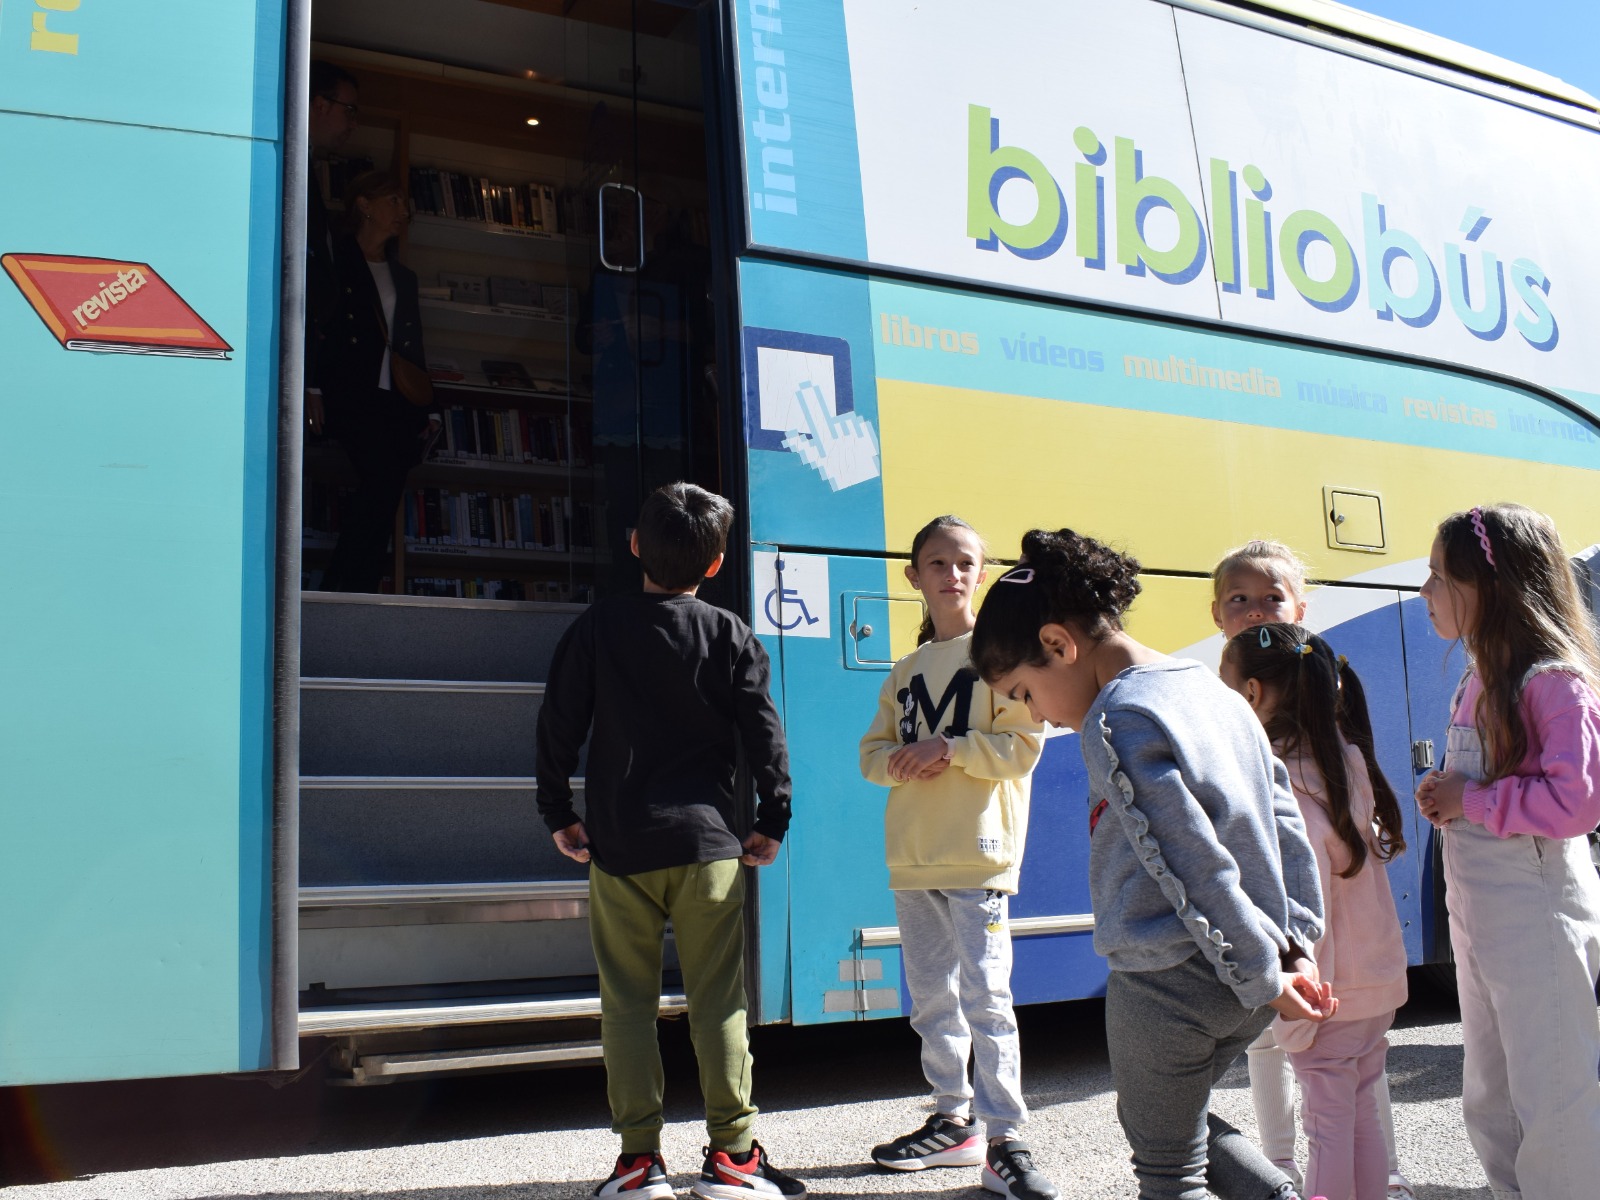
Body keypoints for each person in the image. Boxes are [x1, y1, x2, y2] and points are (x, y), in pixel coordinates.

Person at [970, 527, 1333, 1200]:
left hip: (1167, 982)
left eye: (1023, 692)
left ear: (1058, 644)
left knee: (1170, 1172)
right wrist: (1295, 947)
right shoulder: (1213, 689)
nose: (1036, 716)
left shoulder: (1117, 716)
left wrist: (1261, 969)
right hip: (1249, 975)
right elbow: (1286, 823)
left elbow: (1186, 858)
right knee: (1168, 1118)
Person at [536, 482, 805, 1200]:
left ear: (633, 546)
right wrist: (772, 818)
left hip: (619, 846)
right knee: (719, 1003)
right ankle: (733, 1159)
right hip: (708, 850)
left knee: (627, 1005)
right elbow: (765, 734)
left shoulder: (597, 628)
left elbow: (559, 724)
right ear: (716, 564)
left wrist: (558, 811)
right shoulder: (729, 633)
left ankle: (638, 1163)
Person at [857, 516, 1057, 1200]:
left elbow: (1022, 749)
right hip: (914, 859)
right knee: (933, 1001)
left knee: (987, 999)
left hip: (978, 857)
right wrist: (900, 761)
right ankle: (953, 1120)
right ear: (914, 576)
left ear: (981, 573)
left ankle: (1005, 1138)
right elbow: (871, 757)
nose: (952, 574)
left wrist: (948, 747)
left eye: (965, 562)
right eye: (937, 563)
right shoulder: (905, 670)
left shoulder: (1001, 657)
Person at [1210, 541, 1416, 1200]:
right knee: (1359, 1112)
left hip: (1322, 988)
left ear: (1251, 693)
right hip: (1376, 981)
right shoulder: (1346, 759)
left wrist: (1292, 978)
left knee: (1327, 1125)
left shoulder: (1277, 779)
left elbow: (1300, 894)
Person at [1414, 503, 1600, 1200]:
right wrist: (1446, 793)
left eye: (1439, 576)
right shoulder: (1476, 681)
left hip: (1535, 916)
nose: (1424, 591)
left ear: (1492, 588)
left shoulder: (1553, 682)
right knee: (1489, 1092)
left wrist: (1472, 800)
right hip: (1482, 917)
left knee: (1553, 1092)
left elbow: (1577, 803)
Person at [316, 170, 435, 593]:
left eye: (405, 203)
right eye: (394, 201)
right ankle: (343, 589)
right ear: (364, 204)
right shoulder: (335, 259)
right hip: (351, 393)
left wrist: (428, 407)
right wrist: (313, 386)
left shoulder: (404, 277)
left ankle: (353, 590)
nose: (404, 211)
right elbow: (317, 326)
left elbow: (413, 343)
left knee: (385, 494)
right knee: (383, 482)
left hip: (396, 400)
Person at [304, 61, 360, 441]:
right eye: (349, 110)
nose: (353, 124)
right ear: (320, 104)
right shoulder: (283, 160)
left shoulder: (305, 164)